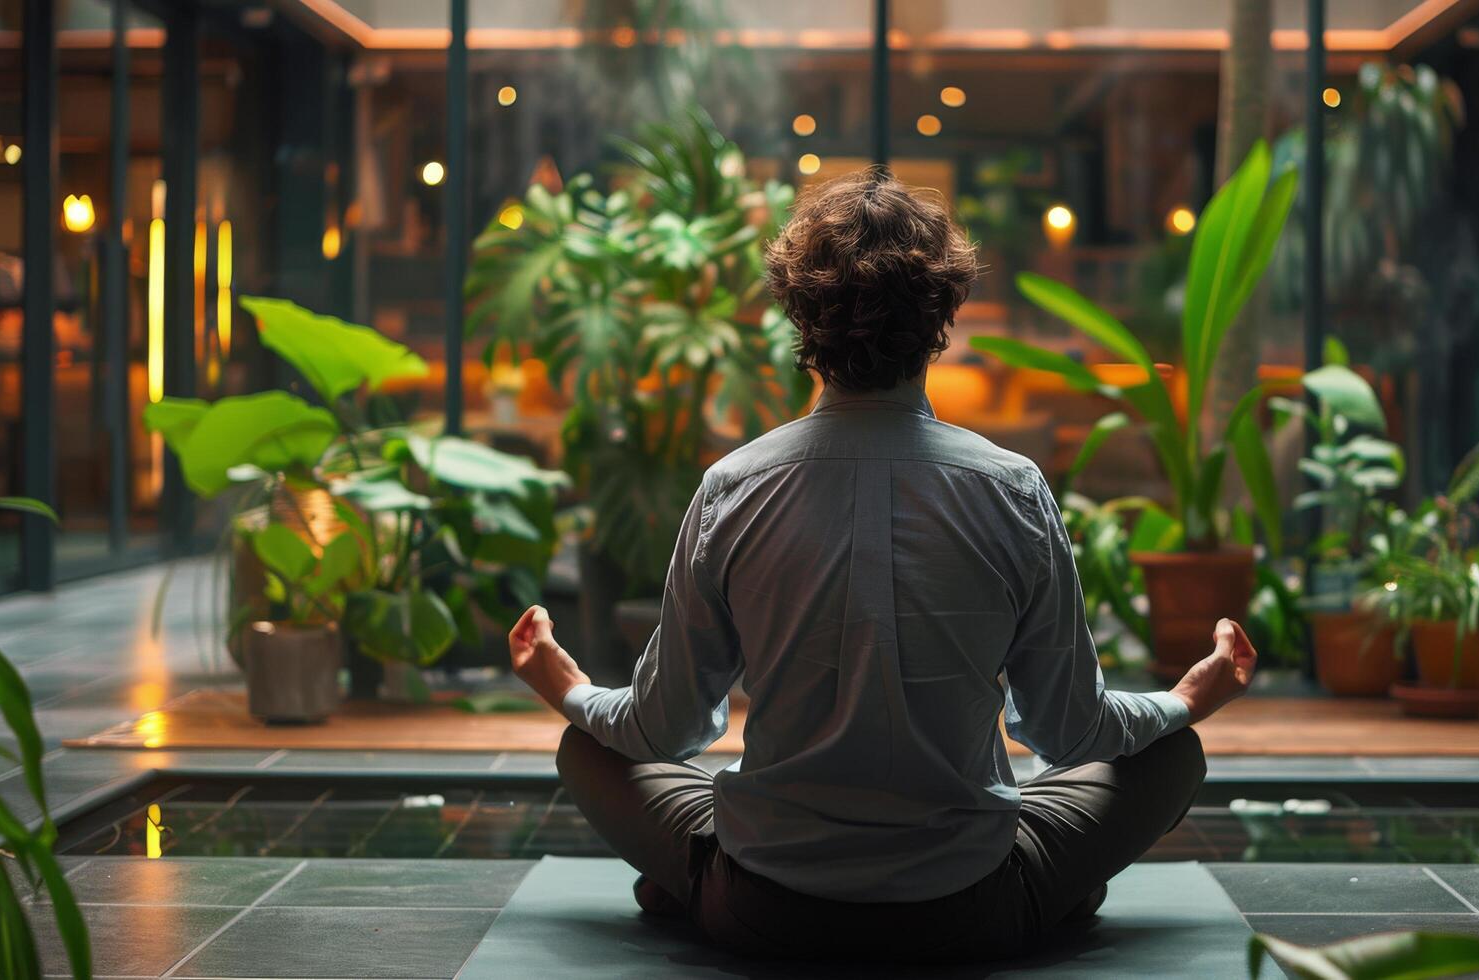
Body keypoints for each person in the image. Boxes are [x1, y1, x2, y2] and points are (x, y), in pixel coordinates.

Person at [508, 167, 1258, 963]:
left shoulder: (732, 488)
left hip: (766, 907)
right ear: (944, 312)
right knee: (1169, 752)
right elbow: (1071, 733)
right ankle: (1051, 888)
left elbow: (666, 727)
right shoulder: (1012, 490)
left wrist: (564, 685)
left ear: (798, 314)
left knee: (588, 745)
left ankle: (696, 886)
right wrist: (1185, 697)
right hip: (970, 908)